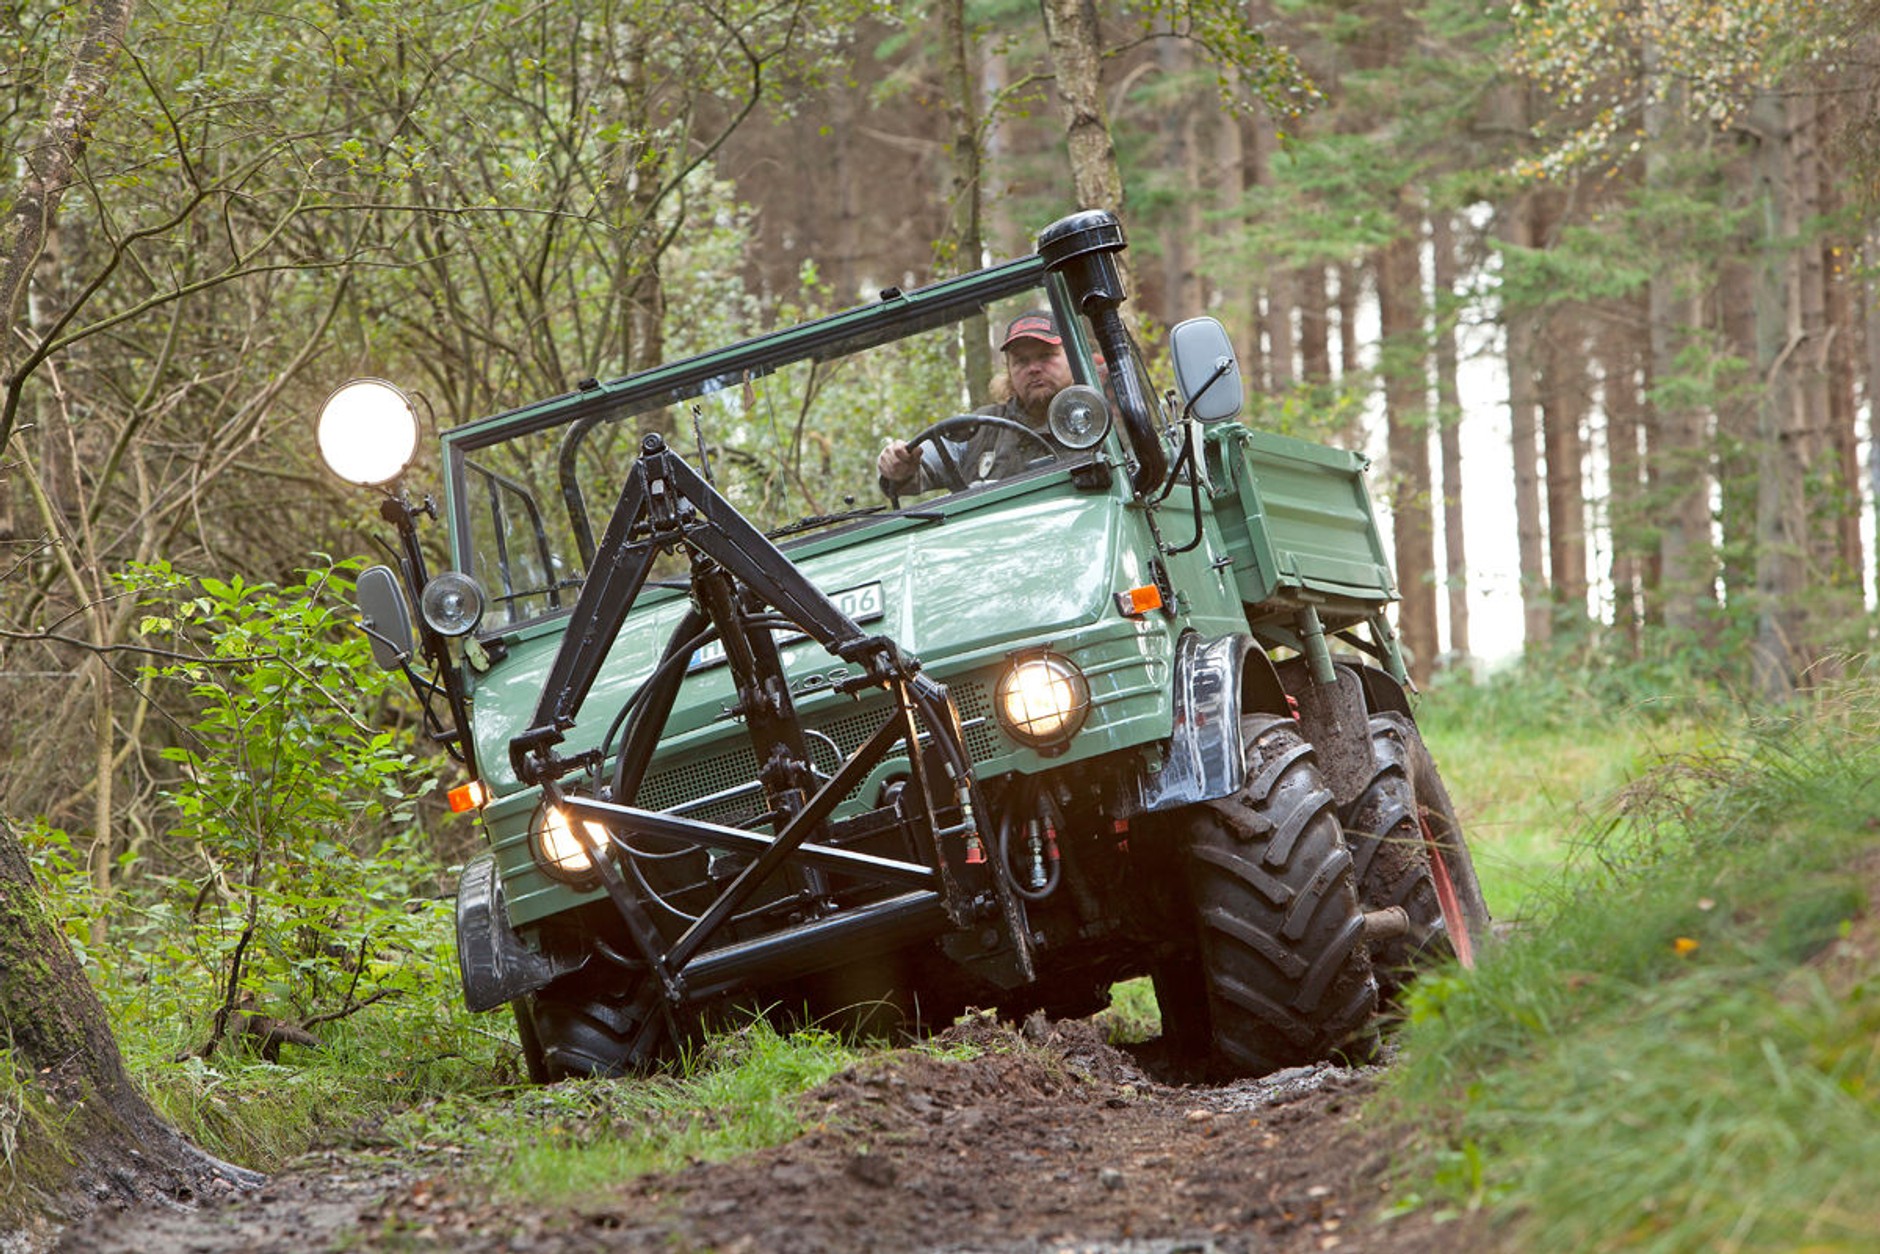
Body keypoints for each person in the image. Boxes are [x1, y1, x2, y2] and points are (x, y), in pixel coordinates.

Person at [877, 310, 1076, 497]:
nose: (1033, 368)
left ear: (1072, 357)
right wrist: (898, 463)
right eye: (1021, 361)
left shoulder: (1101, 414)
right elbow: (919, 462)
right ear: (1008, 369)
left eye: (1046, 356)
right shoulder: (979, 428)